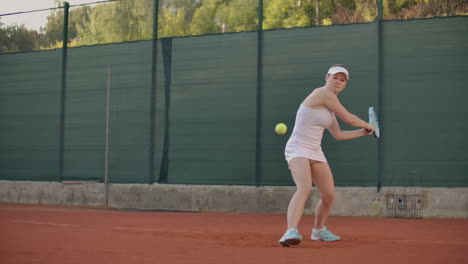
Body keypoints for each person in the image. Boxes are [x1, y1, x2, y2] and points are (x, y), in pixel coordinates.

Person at [278, 64, 375, 246]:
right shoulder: (322, 94)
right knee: (304, 187)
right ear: (327, 77)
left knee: (329, 195)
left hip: (315, 151)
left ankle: (319, 231)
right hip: (297, 148)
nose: (338, 81)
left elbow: (338, 135)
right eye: (335, 77)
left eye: (342, 80)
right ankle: (289, 232)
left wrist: (363, 132)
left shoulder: (330, 107)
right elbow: (349, 118)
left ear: (345, 84)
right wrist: (371, 126)